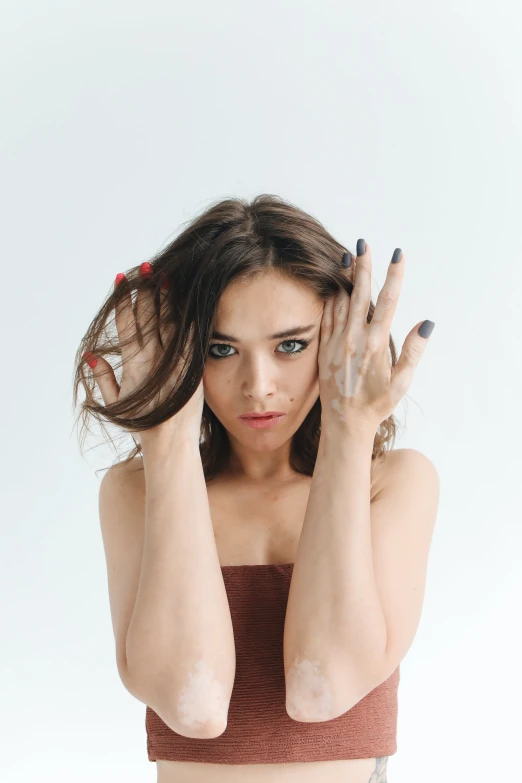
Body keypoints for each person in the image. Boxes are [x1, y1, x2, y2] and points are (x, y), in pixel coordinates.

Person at [73, 194, 439, 783]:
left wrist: (349, 429)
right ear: (185, 352)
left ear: (340, 340)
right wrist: (165, 443)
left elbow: (323, 688)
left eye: (290, 345)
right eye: (221, 350)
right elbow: (193, 707)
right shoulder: (135, 492)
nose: (259, 386)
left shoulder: (392, 484)